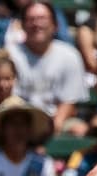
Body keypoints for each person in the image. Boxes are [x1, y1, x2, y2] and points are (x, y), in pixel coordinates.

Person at [9, 1, 88, 135]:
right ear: (22, 25)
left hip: (55, 119)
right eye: (31, 19)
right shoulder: (11, 54)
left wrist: (51, 130)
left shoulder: (70, 55)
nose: (36, 24)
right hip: (18, 118)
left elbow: (68, 102)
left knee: (80, 129)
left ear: (55, 25)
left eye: (42, 19)